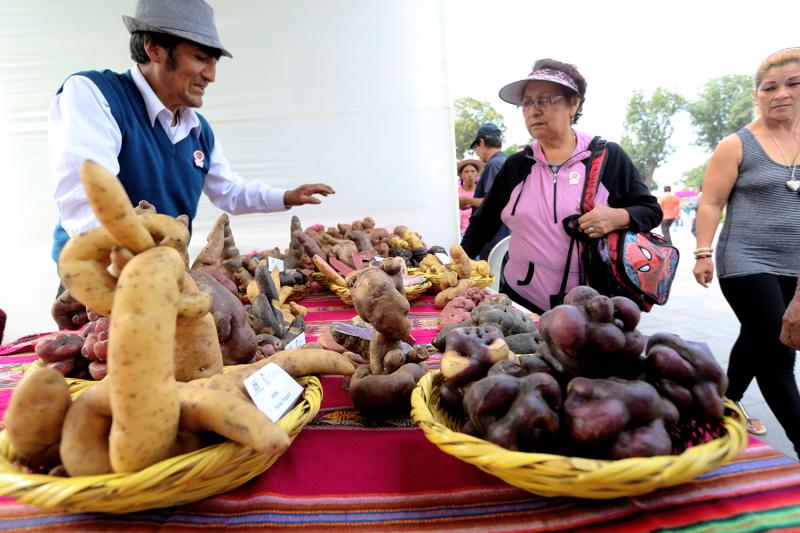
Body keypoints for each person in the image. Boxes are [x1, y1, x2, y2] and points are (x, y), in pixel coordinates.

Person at [49, 0, 335, 263]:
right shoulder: (95, 94)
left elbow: (229, 192)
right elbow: (88, 201)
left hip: (165, 276)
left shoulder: (199, 131)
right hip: (100, 278)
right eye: (200, 58)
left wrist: (286, 197)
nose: (211, 75)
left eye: (214, 62)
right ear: (154, 48)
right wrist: (137, 265)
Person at [461, 59, 661, 314]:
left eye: (544, 100)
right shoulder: (517, 166)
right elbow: (483, 223)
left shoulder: (607, 158)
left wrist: (617, 217)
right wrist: (456, 270)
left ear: (573, 103)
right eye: (527, 102)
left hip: (591, 305)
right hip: (521, 302)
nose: (533, 110)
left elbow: (651, 210)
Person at [693, 47, 800, 445]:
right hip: (745, 259)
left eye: (793, 83)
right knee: (776, 347)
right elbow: (710, 202)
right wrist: (702, 253)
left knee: (758, 338)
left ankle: (722, 405)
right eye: (770, 87)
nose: (781, 93)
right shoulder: (737, 144)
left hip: (794, 265)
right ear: (757, 94)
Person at [461, 123, 510, 259]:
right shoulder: (505, 161)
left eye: (476, 147)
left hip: (493, 239)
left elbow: (492, 203)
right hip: (504, 236)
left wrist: (467, 200)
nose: (477, 152)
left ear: (482, 142)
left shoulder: (493, 164)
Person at [457, 159, 483, 235]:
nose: (470, 174)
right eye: (466, 171)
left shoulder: (481, 192)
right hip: (459, 233)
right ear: (461, 175)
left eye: (473, 171)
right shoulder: (456, 192)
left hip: (476, 233)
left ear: (477, 174)